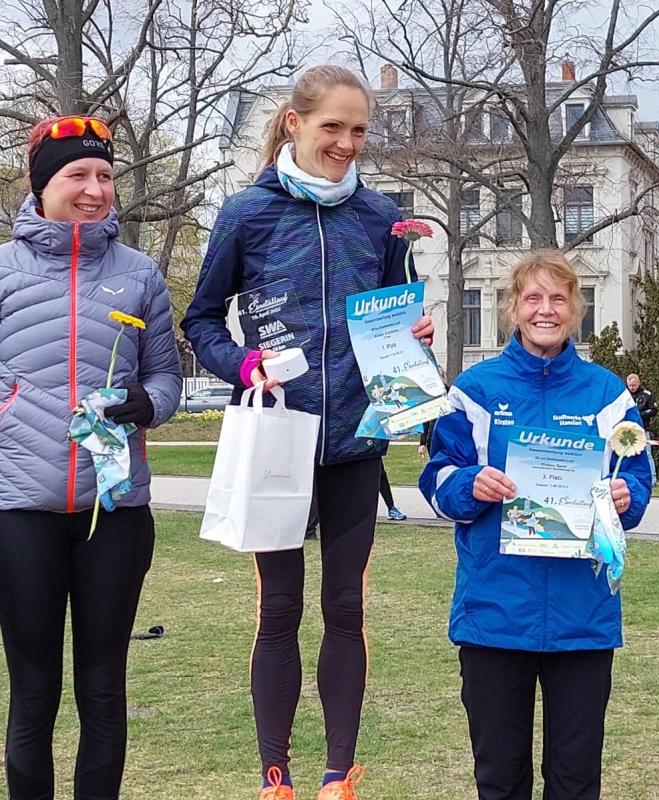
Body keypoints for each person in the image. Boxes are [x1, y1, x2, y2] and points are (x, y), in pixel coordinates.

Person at [181, 65, 433, 800]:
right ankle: (276, 778)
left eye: (359, 130)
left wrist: (412, 337)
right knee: (280, 609)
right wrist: (244, 364)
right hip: (278, 441)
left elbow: (393, 325)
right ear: (294, 123)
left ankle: (337, 776)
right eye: (333, 127)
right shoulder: (246, 213)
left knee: (345, 607)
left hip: (354, 444)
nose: (347, 143)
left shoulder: (381, 218)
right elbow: (201, 320)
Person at [420, 250, 652, 800]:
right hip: (495, 614)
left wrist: (626, 496)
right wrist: (470, 485)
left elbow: (637, 476)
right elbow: (437, 479)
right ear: (513, 308)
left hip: (582, 616)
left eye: (557, 298)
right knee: (500, 779)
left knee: (575, 781)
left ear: (574, 309)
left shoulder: (607, 394)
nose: (545, 310)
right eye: (532, 298)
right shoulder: (475, 390)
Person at [0, 116, 182, 800]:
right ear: (41, 184)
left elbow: (166, 378)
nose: (95, 189)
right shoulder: (4, 271)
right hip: (21, 510)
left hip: (116, 512)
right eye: (77, 174)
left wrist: (147, 403)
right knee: (33, 688)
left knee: (103, 687)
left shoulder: (139, 274)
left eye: (105, 175)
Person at [626, 373, 658, 486]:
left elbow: (654, 410)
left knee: (647, 453)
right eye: (630, 385)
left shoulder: (646, 394)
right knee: (627, 454)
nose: (632, 387)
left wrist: (640, 415)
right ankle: (630, 477)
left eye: (634, 385)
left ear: (638, 383)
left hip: (643, 429)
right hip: (627, 430)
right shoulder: (624, 395)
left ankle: (652, 478)